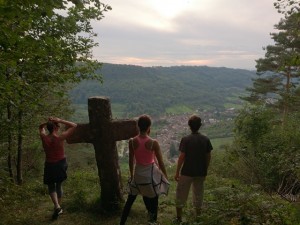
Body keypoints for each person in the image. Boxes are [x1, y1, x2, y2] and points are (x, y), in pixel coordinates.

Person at [120, 114, 169, 225]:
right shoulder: (153, 142)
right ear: (149, 127)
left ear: (138, 126)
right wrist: (165, 176)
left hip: (138, 175)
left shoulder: (132, 141)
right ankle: (153, 222)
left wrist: (132, 175)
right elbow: (160, 162)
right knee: (154, 200)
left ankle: (121, 222)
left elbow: (131, 160)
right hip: (150, 175)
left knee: (129, 201)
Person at [173, 115, 213, 223]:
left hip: (186, 172)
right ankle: (198, 217)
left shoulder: (185, 139)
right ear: (200, 126)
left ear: (189, 126)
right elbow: (208, 156)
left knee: (181, 194)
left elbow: (182, 157)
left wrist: (177, 172)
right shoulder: (205, 139)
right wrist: (205, 169)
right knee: (198, 194)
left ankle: (179, 218)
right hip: (200, 172)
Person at [39, 117, 77, 220]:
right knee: (59, 185)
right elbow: (74, 125)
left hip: (49, 164)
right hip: (60, 163)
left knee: (51, 186)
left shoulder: (44, 137)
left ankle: (57, 206)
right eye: (58, 126)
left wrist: (48, 122)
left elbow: (40, 127)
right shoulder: (60, 137)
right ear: (56, 127)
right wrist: (59, 120)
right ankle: (58, 207)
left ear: (48, 128)